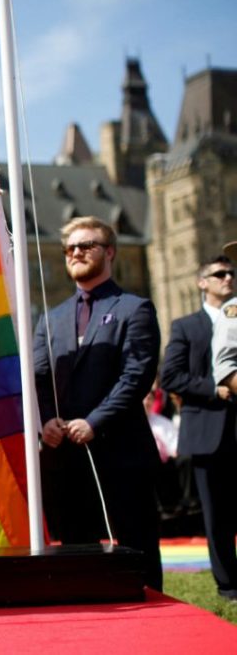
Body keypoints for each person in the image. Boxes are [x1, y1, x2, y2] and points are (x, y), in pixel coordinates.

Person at [33, 216, 162, 590]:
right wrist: (46, 421)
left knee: (137, 549)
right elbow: (40, 378)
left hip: (120, 450)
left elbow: (135, 376)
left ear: (109, 252)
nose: (75, 252)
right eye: (70, 248)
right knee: (76, 552)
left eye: (85, 245)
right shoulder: (50, 318)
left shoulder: (134, 309)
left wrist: (95, 421)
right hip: (64, 457)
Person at [182, 249, 237, 601]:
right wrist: (216, 388)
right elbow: (173, 375)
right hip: (208, 428)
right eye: (219, 274)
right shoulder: (187, 326)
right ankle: (228, 584)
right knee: (216, 513)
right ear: (202, 282)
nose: (228, 279)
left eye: (231, 273)